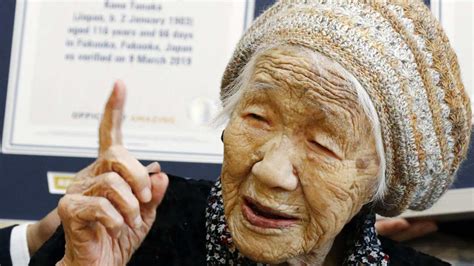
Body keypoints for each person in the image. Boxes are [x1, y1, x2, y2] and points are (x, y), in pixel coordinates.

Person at [7, 0, 474, 265]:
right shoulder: (130, 233)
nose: (270, 171)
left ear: (378, 180)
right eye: (256, 118)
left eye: (322, 143)